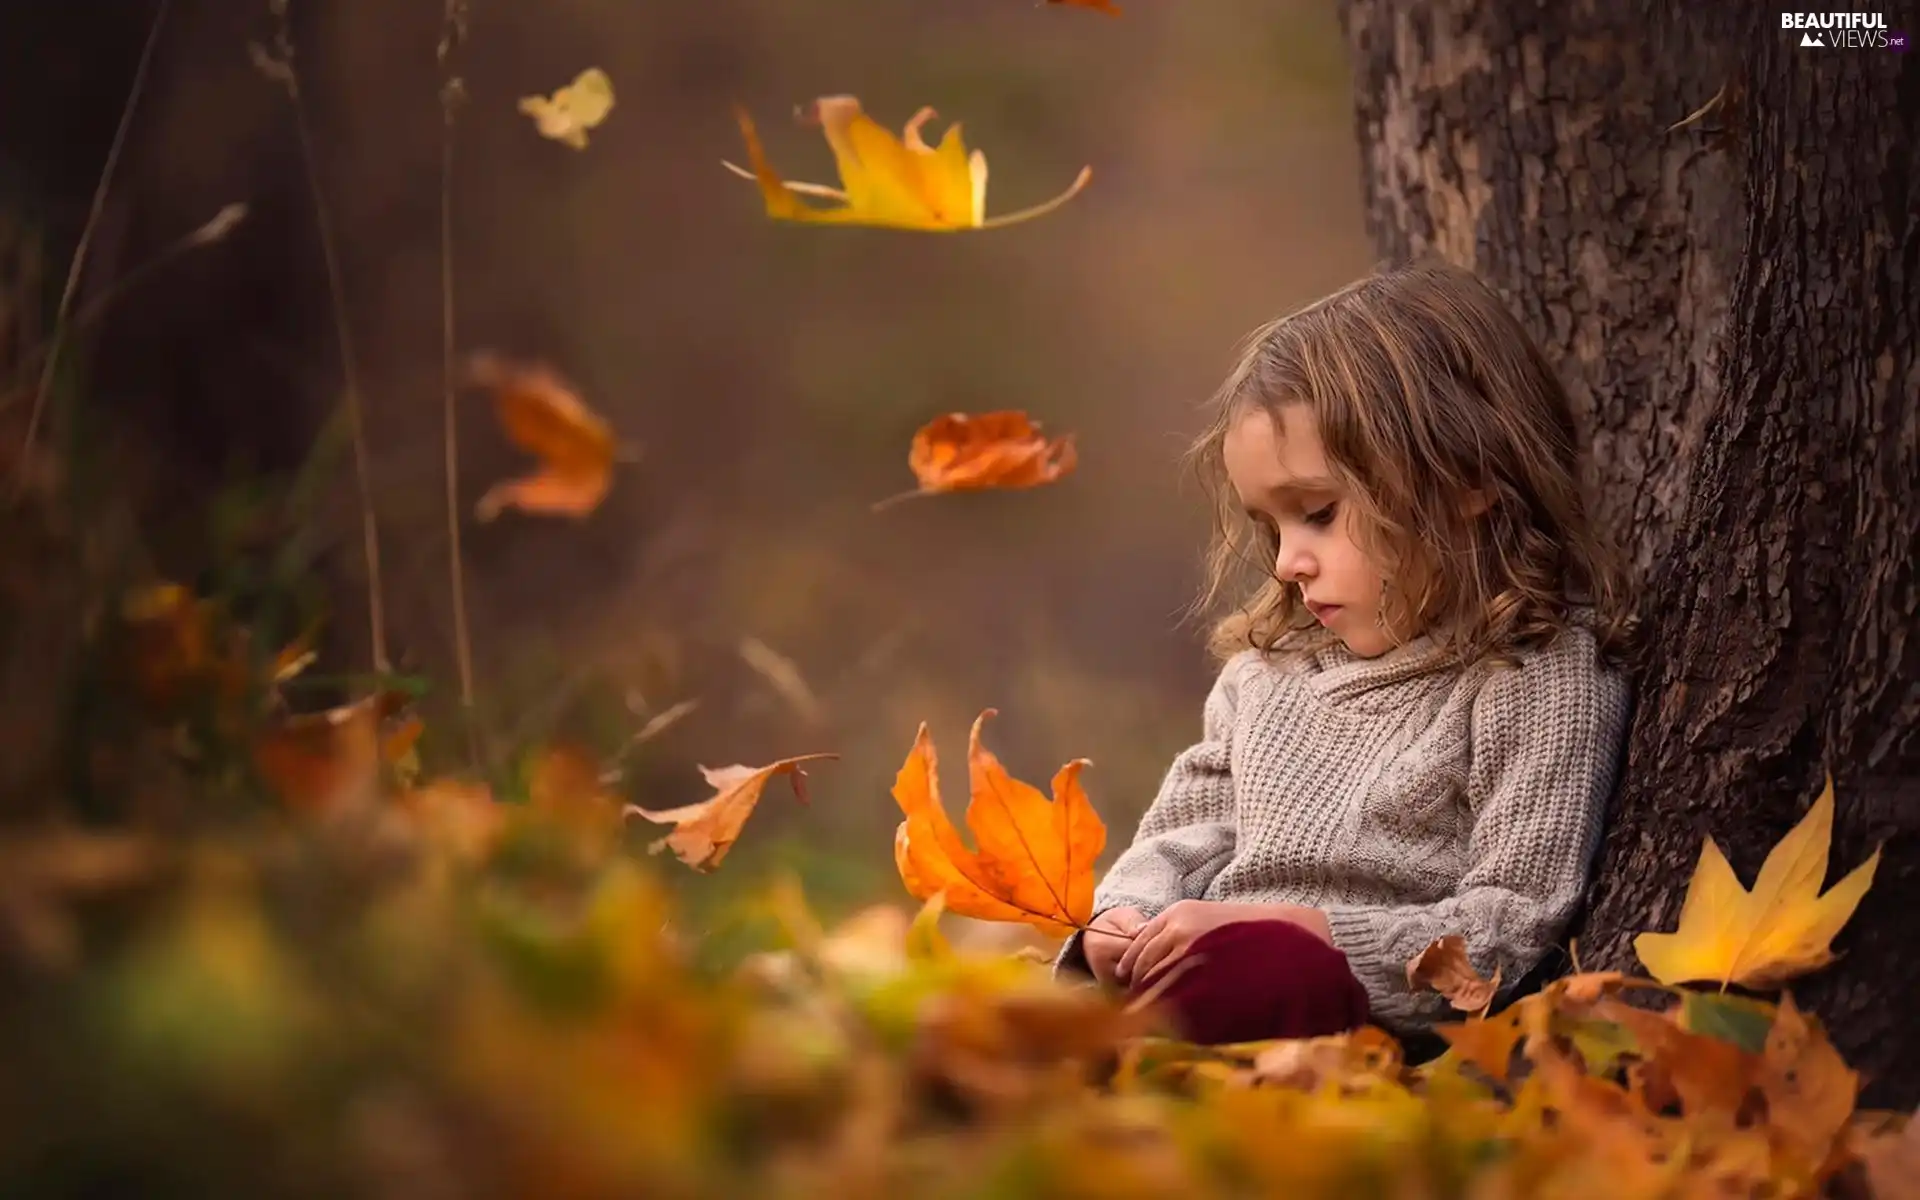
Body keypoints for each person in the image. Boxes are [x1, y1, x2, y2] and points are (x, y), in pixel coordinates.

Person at [1055, 260, 1636, 1044]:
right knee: (1017, 1015)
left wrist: (1307, 933)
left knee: (1267, 972)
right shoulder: (1265, 677)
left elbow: (1509, 922)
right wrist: (1123, 921)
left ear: (1467, 478)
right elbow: (1178, 841)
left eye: (1319, 514)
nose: (1289, 560)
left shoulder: (1536, 673)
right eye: (1274, 526)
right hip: (1195, 978)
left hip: (1355, 1021)